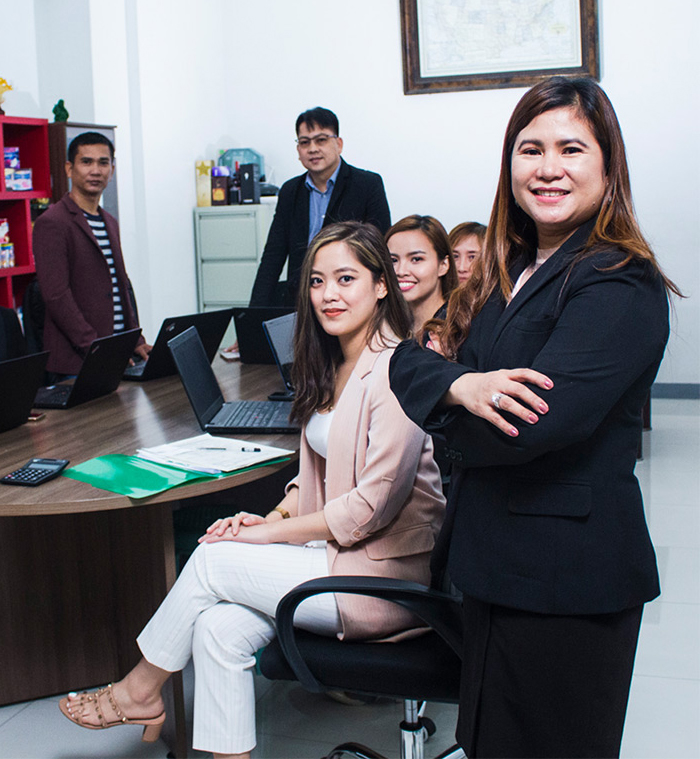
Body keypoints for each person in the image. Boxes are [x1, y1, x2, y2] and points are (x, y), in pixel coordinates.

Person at [59, 221, 445, 759]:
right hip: (332, 557)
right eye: (316, 281)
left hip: (381, 577)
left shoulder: (399, 371)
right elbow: (314, 477)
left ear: (382, 286)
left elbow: (368, 509)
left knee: (212, 559)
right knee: (217, 628)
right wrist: (272, 518)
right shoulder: (335, 362)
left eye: (346, 279)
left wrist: (267, 537)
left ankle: (140, 691)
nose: (328, 295)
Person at [389, 77, 679, 759]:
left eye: (571, 149)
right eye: (531, 149)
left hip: (565, 579)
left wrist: (441, 400)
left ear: (607, 164)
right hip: (491, 561)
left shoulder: (618, 280)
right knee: (488, 742)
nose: (548, 168)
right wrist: (463, 386)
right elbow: (407, 357)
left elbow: (527, 426)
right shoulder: (507, 268)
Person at [33, 132, 150, 377]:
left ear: (112, 170)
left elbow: (120, 286)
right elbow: (56, 296)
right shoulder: (53, 222)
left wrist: (135, 339)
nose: (95, 171)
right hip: (78, 362)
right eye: (86, 162)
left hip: (119, 354)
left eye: (103, 163)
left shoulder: (109, 221)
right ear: (69, 168)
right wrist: (95, 348)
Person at [248, 107, 391, 307]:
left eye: (321, 140)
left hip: (349, 297)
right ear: (298, 150)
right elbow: (273, 255)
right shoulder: (290, 191)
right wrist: (253, 315)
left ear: (338, 144)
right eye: (304, 142)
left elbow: (380, 249)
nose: (313, 149)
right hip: (301, 299)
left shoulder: (367, 185)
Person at [385, 215, 458, 338]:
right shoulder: (385, 329)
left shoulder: (461, 328)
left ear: (443, 265)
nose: (401, 271)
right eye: (393, 260)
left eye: (416, 259)